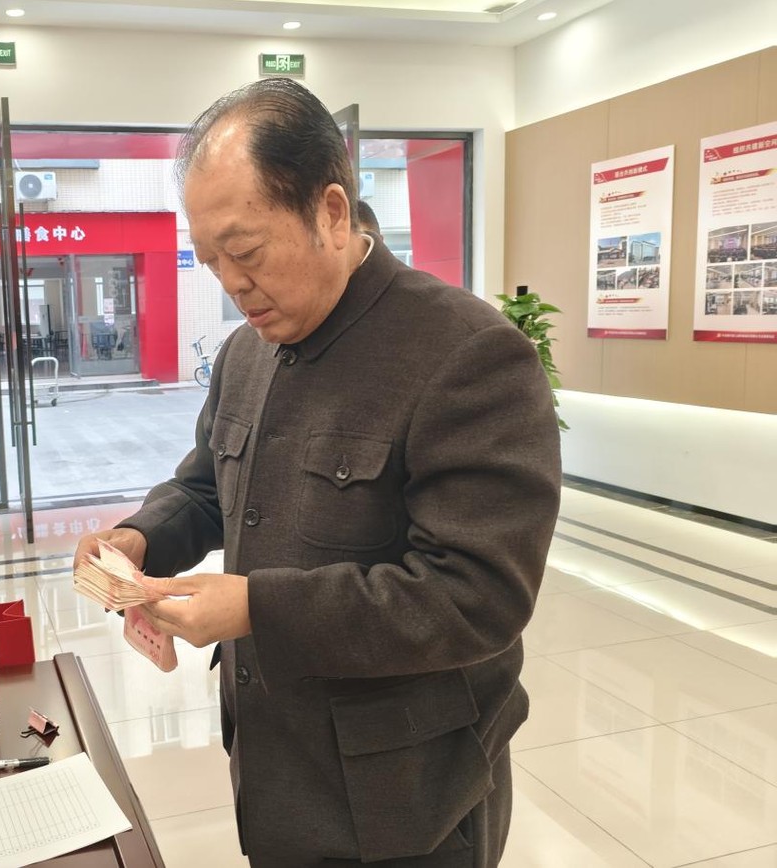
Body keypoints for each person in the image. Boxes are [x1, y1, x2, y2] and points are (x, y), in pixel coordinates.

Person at [74, 78, 561, 866]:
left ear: (331, 213)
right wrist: (140, 538)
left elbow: (478, 596)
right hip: (275, 763)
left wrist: (257, 607)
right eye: (211, 262)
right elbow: (207, 484)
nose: (232, 285)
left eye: (246, 252)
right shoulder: (248, 351)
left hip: (406, 795)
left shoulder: (465, 353)